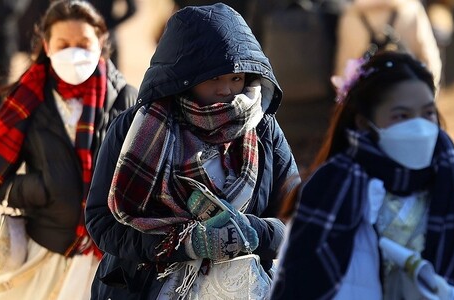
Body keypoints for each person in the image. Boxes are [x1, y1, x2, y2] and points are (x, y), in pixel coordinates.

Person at [85, 3, 299, 299]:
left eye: (236, 78)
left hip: (243, 288)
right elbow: (102, 222)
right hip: (144, 287)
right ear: (183, 76)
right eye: (214, 78)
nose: (227, 90)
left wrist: (251, 233)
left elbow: (297, 219)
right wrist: (184, 244)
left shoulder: (264, 129)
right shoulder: (134, 129)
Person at [271, 51, 454, 299]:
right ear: (364, 122)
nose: (420, 128)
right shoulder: (330, 190)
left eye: (428, 113)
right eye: (401, 116)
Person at [0, 0, 137, 299]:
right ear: (47, 46)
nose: (74, 52)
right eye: (64, 44)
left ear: (101, 42)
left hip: (103, 255)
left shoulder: (126, 99)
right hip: (42, 250)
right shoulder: (27, 99)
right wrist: (36, 189)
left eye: (83, 42)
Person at [334, 0, 442, 88]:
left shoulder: (351, 16)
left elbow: (343, 74)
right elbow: (431, 61)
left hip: (370, 104)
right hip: (408, 94)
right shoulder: (411, 10)